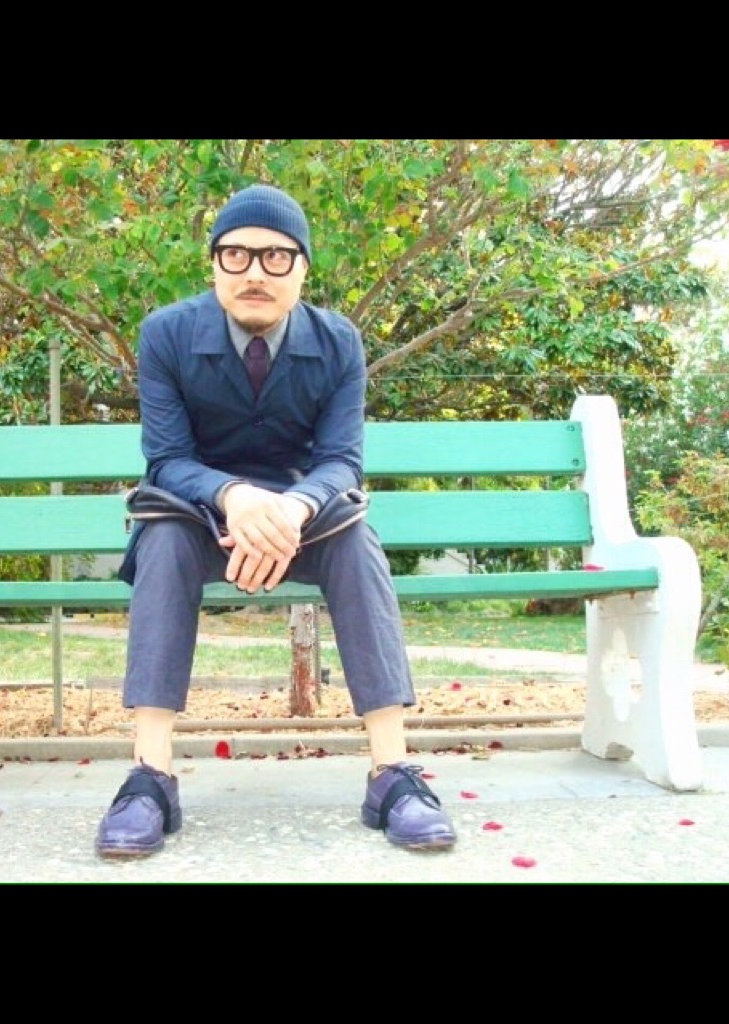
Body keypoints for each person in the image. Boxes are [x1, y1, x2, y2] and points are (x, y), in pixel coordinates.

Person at [95, 183, 457, 858]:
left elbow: (342, 461)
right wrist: (234, 497)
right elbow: (167, 459)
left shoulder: (338, 341)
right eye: (236, 254)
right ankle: (149, 777)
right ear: (214, 264)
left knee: (357, 541)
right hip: (199, 520)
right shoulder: (166, 334)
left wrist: (289, 508)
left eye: (276, 256)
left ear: (303, 268)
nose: (255, 272)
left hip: (303, 524)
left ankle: (392, 772)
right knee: (162, 541)